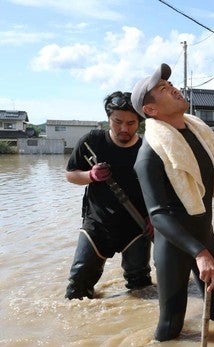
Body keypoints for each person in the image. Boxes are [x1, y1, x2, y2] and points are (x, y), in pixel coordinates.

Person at [131, 63, 214, 342]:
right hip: (175, 245)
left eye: (170, 84)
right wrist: (200, 253)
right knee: (171, 326)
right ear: (150, 110)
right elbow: (158, 215)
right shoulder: (149, 156)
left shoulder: (198, 134)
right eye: (163, 89)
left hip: (203, 234)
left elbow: (211, 184)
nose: (173, 88)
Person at [65, 91, 153, 300]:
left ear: (139, 122)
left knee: (142, 290)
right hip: (98, 223)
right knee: (76, 290)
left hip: (137, 226)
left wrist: (154, 217)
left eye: (131, 123)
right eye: (117, 121)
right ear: (108, 119)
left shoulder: (148, 148)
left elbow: (161, 189)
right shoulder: (91, 142)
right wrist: (90, 175)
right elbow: (70, 175)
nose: (124, 128)